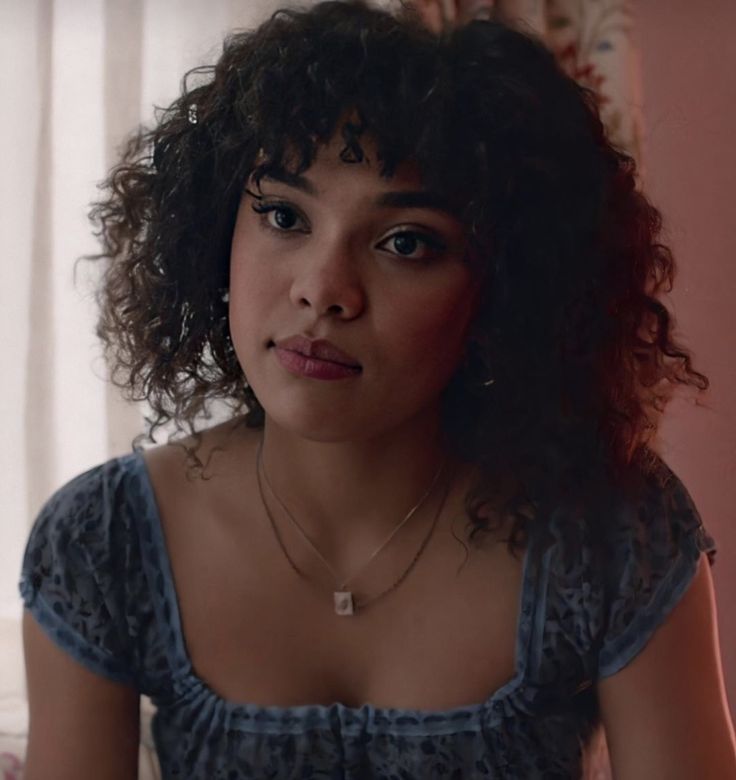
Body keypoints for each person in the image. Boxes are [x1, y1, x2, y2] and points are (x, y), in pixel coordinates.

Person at [18, 1, 736, 778]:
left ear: (506, 290)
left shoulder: (613, 532)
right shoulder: (104, 541)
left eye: (406, 243)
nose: (324, 291)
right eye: (285, 216)